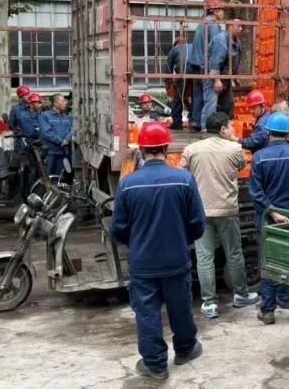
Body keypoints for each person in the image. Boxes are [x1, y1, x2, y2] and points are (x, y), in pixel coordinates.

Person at [110, 122, 206, 380]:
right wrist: (182, 241)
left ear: (141, 150)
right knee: (180, 307)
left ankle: (155, 365)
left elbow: (118, 228)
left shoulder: (128, 184)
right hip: (176, 258)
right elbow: (198, 223)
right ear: (166, 148)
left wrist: (136, 244)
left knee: (147, 312)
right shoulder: (184, 179)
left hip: (143, 261)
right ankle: (185, 349)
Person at [180, 112, 260, 319]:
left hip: (201, 211)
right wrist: (232, 141)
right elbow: (241, 166)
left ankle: (209, 303)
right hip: (227, 210)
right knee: (234, 253)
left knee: (204, 257)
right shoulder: (234, 149)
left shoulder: (191, 150)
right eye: (230, 127)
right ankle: (241, 294)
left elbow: (183, 172)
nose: (232, 130)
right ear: (223, 130)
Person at [247, 112, 289, 325]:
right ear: (287, 133)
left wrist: (272, 212)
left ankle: (267, 311)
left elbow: (255, 192)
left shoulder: (259, 157)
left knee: (267, 262)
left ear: (268, 132)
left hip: (267, 220)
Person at [187, 0, 226, 132]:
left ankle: (196, 122)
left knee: (198, 96)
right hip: (205, 67)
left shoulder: (202, 23)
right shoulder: (213, 25)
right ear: (215, 11)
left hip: (195, 65)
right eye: (221, 10)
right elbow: (215, 48)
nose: (223, 13)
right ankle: (207, 129)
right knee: (210, 99)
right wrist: (216, 76)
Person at [209, 20, 244, 119]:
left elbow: (236, 60)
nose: (241, 29)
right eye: (238, 26)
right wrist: (216, 80)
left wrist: (236, 77)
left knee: (228, 104)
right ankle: (208, 127)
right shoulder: (222, 39)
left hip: (226, 78)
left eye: (241, 26)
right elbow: (215, 60)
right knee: (211, 105)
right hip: (214, 78)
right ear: (230, 27)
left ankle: (225, 125)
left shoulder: (237, 42)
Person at [39, 93, 73, 176]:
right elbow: (47, 132)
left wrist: (67, 140)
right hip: (51, 152)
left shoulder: (66, 117)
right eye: (63, 101)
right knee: (49, 176)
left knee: (61, 177)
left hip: (64, 152)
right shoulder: (45, 115)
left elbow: (71, 130)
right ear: (55, 103)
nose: (65, 103)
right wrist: (60, 141)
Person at [166, 36, 192, 130]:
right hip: (198, 73)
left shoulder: (175, 49)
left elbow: (168, 68)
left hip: (183, 72)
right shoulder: (193, 46)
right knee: (196, 98)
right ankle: (195, 122)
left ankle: (177, 123)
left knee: (178, 98)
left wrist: (168, 81)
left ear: (175, 44)